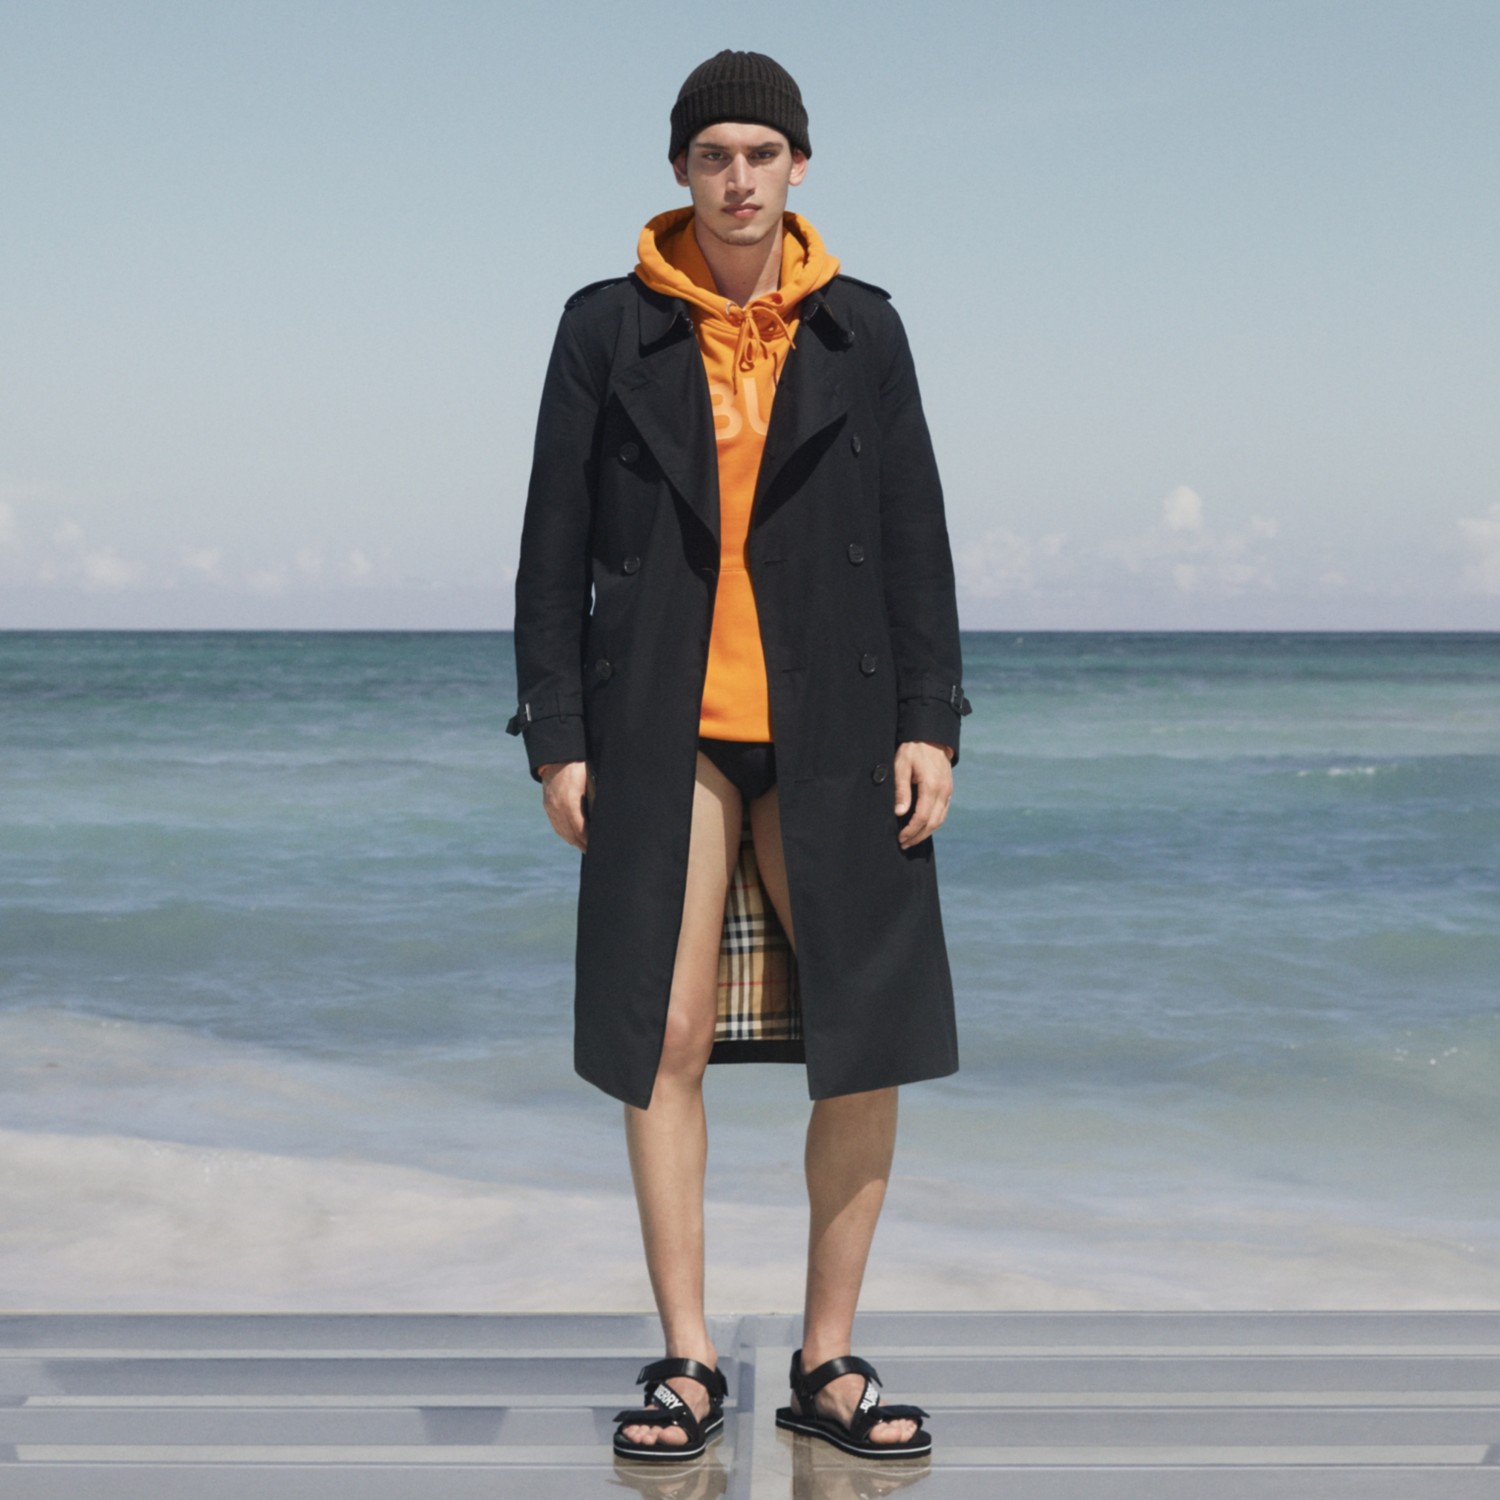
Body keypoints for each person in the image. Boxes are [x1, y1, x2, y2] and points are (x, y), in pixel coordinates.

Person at [509, 49, 969, 1463]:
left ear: (798, 168)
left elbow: (914, 535)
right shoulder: (606, 328)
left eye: (762, 154)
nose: (738, 179)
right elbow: (551, 544)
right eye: (714, 155)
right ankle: (688, 1362)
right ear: (681, 172)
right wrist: (557, 737)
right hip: (663, 721)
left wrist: (932, 720)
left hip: (842, 718)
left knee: (868, 1033)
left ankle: (828, 1362)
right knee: (664, 1035)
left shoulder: (863, 329)